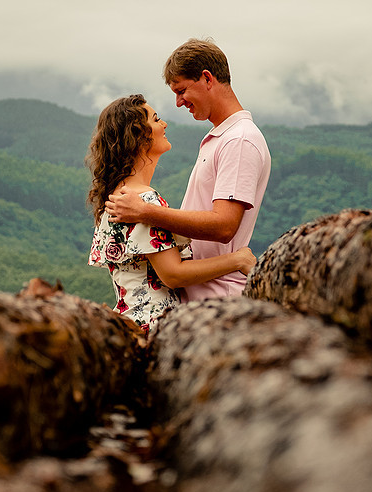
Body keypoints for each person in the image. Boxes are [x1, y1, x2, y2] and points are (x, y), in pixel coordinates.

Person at [105, 38, 271, 300]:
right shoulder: (221, 137)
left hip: (219, 297)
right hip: (201, 297)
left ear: (207, 78)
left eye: (181, 90)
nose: (179, 102)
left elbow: (225, 225)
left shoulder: (239, 139)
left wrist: (145, 212)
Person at [87, 94, 256, 333]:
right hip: (154, 326)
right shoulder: (144, 201)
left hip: (128, 322)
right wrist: (237, 260)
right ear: (139, 137)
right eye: (156, 120)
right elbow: (173, 275)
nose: (164, 125)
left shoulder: (118, 196)